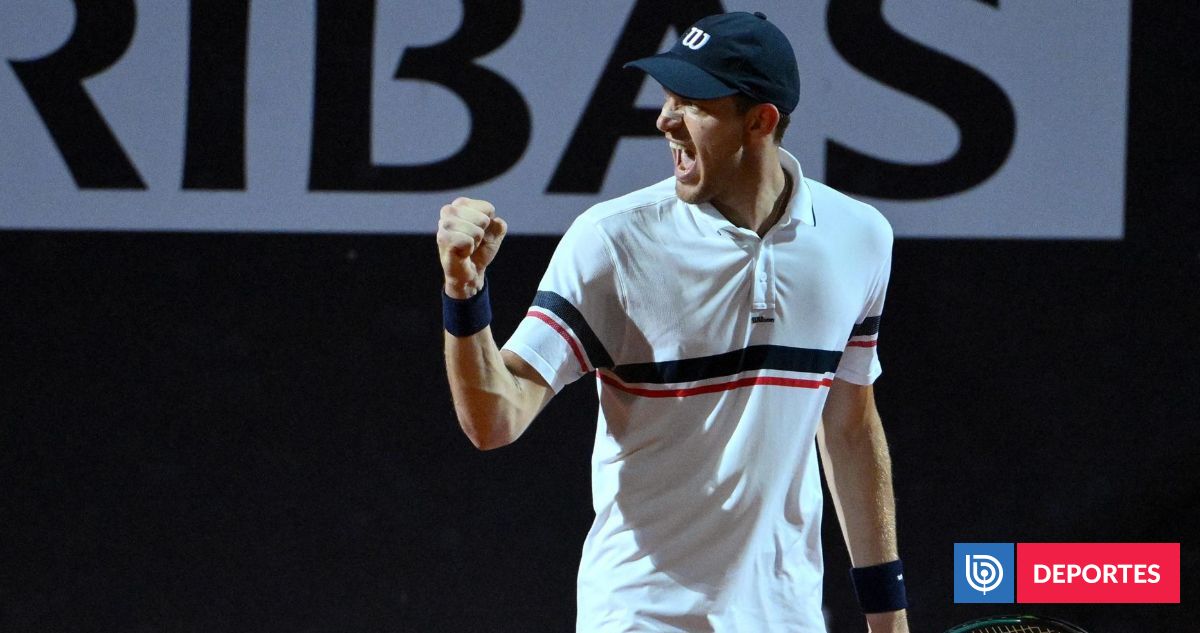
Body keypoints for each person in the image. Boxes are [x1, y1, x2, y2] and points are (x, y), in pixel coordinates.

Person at [437, 11, 908, 633]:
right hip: (639, 618)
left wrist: (888, 619)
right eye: (667, 97)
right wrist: (464, 295)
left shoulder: (860, 238)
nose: (664, 120)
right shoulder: (610, 241)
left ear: (760, 121)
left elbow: (849, 428)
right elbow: (495, 418)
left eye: (693, 104)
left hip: (785, 618)